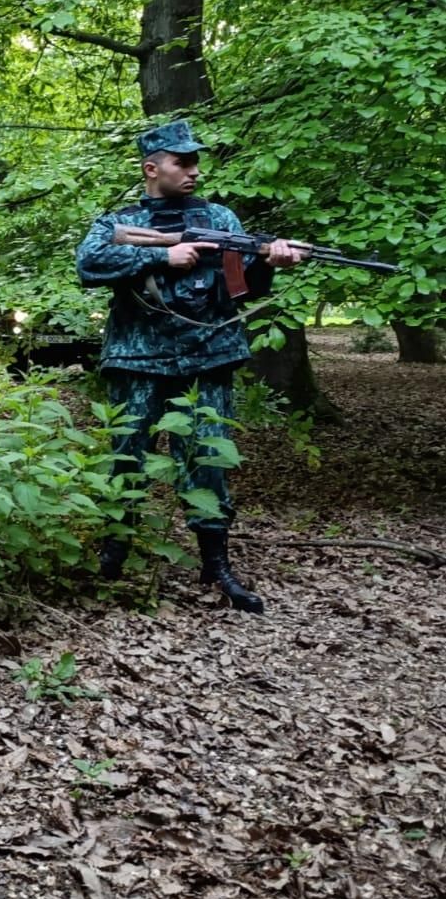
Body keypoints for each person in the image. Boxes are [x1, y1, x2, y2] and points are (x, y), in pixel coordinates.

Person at [76, 120, 303, 614]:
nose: (194, 170)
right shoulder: (118, 220)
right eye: (183, 162)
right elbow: (88, 266)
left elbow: (241, 290)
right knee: (126, 456)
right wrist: (162, 256)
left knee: (207, 458)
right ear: (151, 167)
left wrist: (270, 261)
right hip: (137, 358)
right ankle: (114, 555)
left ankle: (215, 564)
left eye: (196, 161)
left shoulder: (220, 217)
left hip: (207, 358)